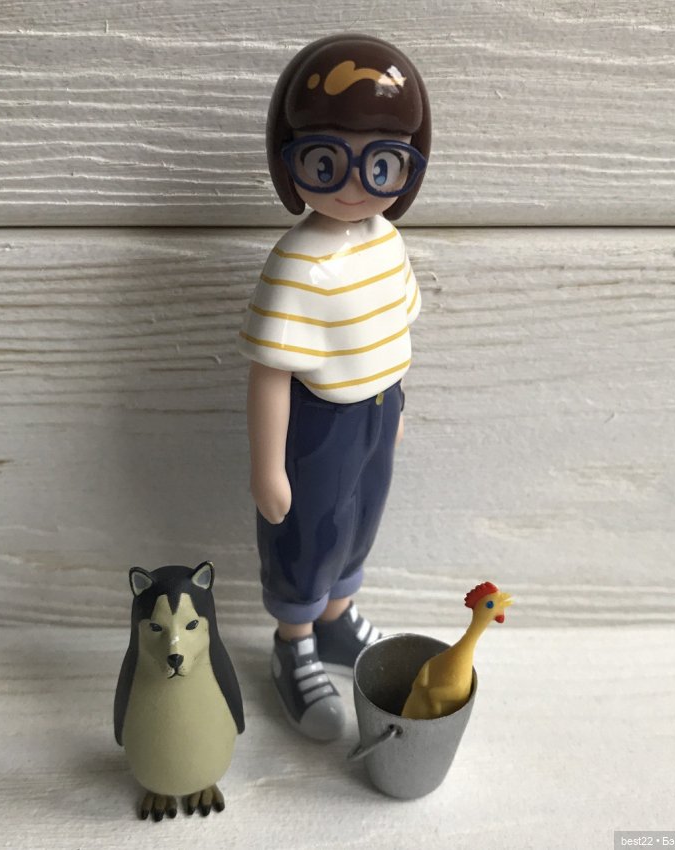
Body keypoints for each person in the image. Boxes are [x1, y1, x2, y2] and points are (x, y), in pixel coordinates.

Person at [238, 34, 431, 740]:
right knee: (307, 534)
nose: (354, 184)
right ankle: (294, 643)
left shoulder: (387, 242)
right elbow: (271, 372)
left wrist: (396, 406)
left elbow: (398, 327)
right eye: (326, 160)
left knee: (360, 521)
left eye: (381, 163)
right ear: (290, 161)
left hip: (376, 412)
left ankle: (336, 619)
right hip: (316, 424)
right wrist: (267, 467)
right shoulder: (297, 264)